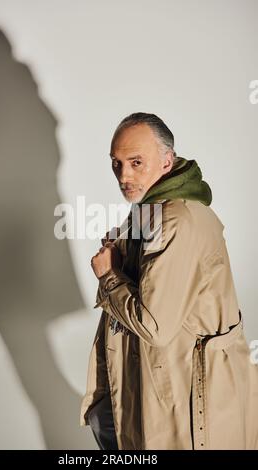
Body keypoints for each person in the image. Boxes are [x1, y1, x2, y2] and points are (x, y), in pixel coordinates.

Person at [80, 112, 258, 450]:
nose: (124, 175)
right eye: (116, 164)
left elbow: (154, 326)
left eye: (136, 162)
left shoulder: (174, 221)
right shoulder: (152, 208)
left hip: (190, 393)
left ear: (167, 160)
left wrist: (109, 276)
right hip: (168, 378)